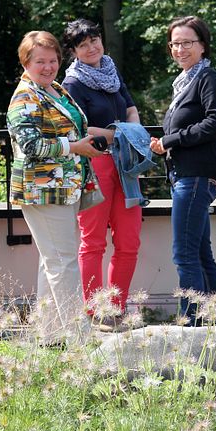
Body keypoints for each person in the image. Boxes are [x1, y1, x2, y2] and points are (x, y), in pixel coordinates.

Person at [6, 31, 102, 345]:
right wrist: (75, 148)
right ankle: (79, 338)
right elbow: (31, 145)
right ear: (25, 62)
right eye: (40, 62)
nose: (48, 67)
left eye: (53, 60)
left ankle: (51, 334)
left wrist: (81, 147)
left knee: (54, 261)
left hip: (64, 188)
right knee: (63, 261)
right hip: (42, 190)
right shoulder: (25, 96)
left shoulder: (55, 89)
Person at [61, 19, 144, 332]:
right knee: (93, 241)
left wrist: (130, 129)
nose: (92, 47)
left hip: (126, 163)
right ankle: (94, 310)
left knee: (129, 241)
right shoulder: (72, 84)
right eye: (83, 45)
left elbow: (130, 108)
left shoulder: (111, 69)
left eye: (94, 40)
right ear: (74, 52)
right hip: (96, 163)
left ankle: (116, 308)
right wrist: (120, 133)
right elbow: (79, 129)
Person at [150, 16, 216, 325]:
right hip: (186, 175)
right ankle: (215, 319)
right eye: (175, 43)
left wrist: (171, 140)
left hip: (196, 175)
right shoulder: (184, 82)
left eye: (188, 43)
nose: (180, 49)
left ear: (203, 45)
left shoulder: (208, 79)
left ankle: (192, 323)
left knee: (184, 253)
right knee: (199, 251)